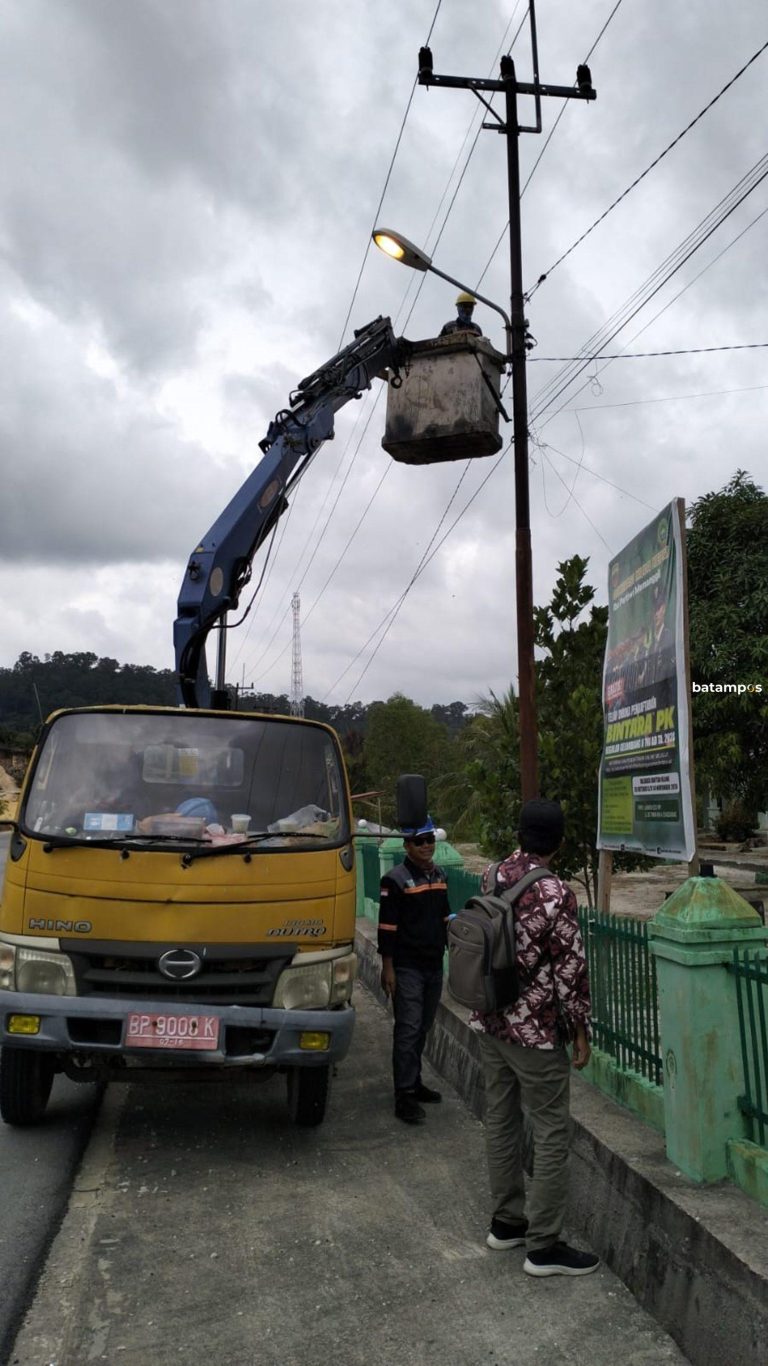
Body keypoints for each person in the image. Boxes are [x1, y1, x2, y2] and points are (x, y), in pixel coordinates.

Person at [472, 799, 600, 1277]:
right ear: (560, 842)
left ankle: (507, 1224)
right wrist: (580, 1029)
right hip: (537, 1034)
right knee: (550, 1132)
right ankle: (544, 1247)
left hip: (491, 1022)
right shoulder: (555, 893)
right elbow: (570, 970)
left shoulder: (491, 876)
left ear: (521, 834)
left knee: (501, 1121)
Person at [378, 816, 451, 1125]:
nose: (426, 846)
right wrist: (388, 968)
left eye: (429, 839)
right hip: (407, 967)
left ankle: (415, 1081)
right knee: (407, 1029)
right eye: (419, 841)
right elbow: (387, 928)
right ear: (407, 845)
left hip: (434, 965)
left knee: (422, 1026)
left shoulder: (440, 875)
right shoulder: (394, 880)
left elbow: (446, 918)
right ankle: (404, 1095)